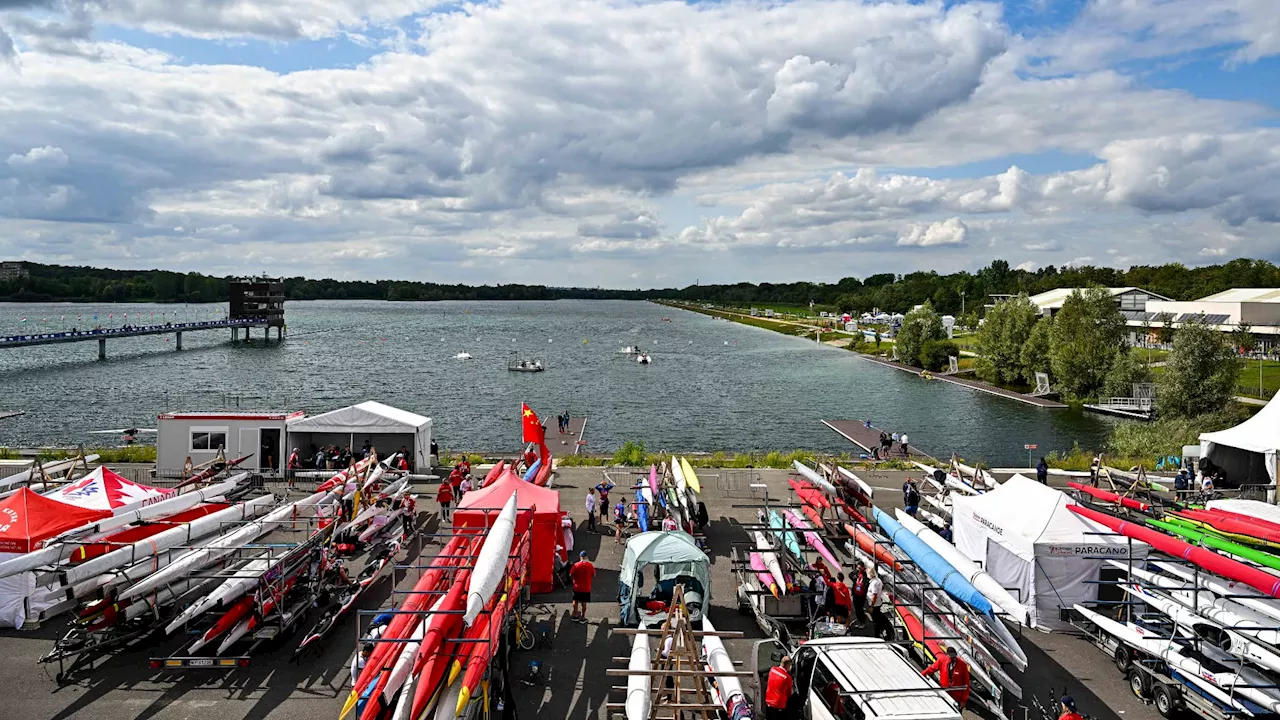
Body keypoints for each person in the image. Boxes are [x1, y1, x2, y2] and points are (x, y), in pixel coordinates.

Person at [764, 656, 794, 720]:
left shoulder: (772, 669)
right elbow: (789, 694)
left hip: (768, 702)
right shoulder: (788, 678)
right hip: (778, 705)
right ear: (788, 665)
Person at [569, 551, 595, 623]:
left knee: (575, 601)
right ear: (586, 557)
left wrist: (574, 579)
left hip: (577, 587)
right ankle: (583, 617)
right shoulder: (590, 565)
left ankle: (575, 615)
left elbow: (571, 574)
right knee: (584, 602)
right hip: (586, 587)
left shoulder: (576, 565)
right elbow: (593, 574)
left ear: (580, 557)